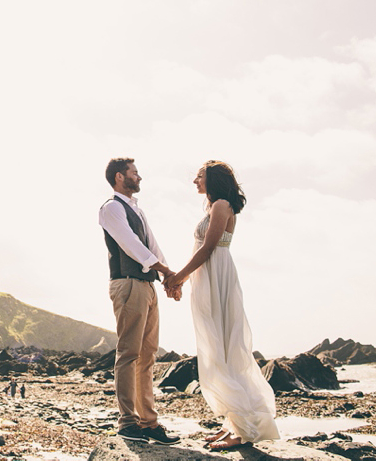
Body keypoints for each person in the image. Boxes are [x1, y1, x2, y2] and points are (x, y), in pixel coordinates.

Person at [164, 161, 280, 451]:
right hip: (209, 277)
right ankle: (232, 423)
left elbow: (208, 248)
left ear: (213, 179)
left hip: (216, 276)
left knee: (223, 350)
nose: (194, 181)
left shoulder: (221, 205)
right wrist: (184, 281)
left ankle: (241, 429)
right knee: (216, 349)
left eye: (199, 176)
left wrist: (178, 277)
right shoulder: (213, 206)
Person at [99, 158, 180, 445]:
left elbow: (151, 245)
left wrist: (171, 279)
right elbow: (131, 245)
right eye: (135, 173)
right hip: (128, 284)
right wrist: (165, 271)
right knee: (129, 354)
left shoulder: (138, 210)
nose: (139, 177)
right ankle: (127, 422)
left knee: (147, 357)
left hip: (147, 286)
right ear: (120, 177)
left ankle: (149, 423)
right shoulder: (111, 208)